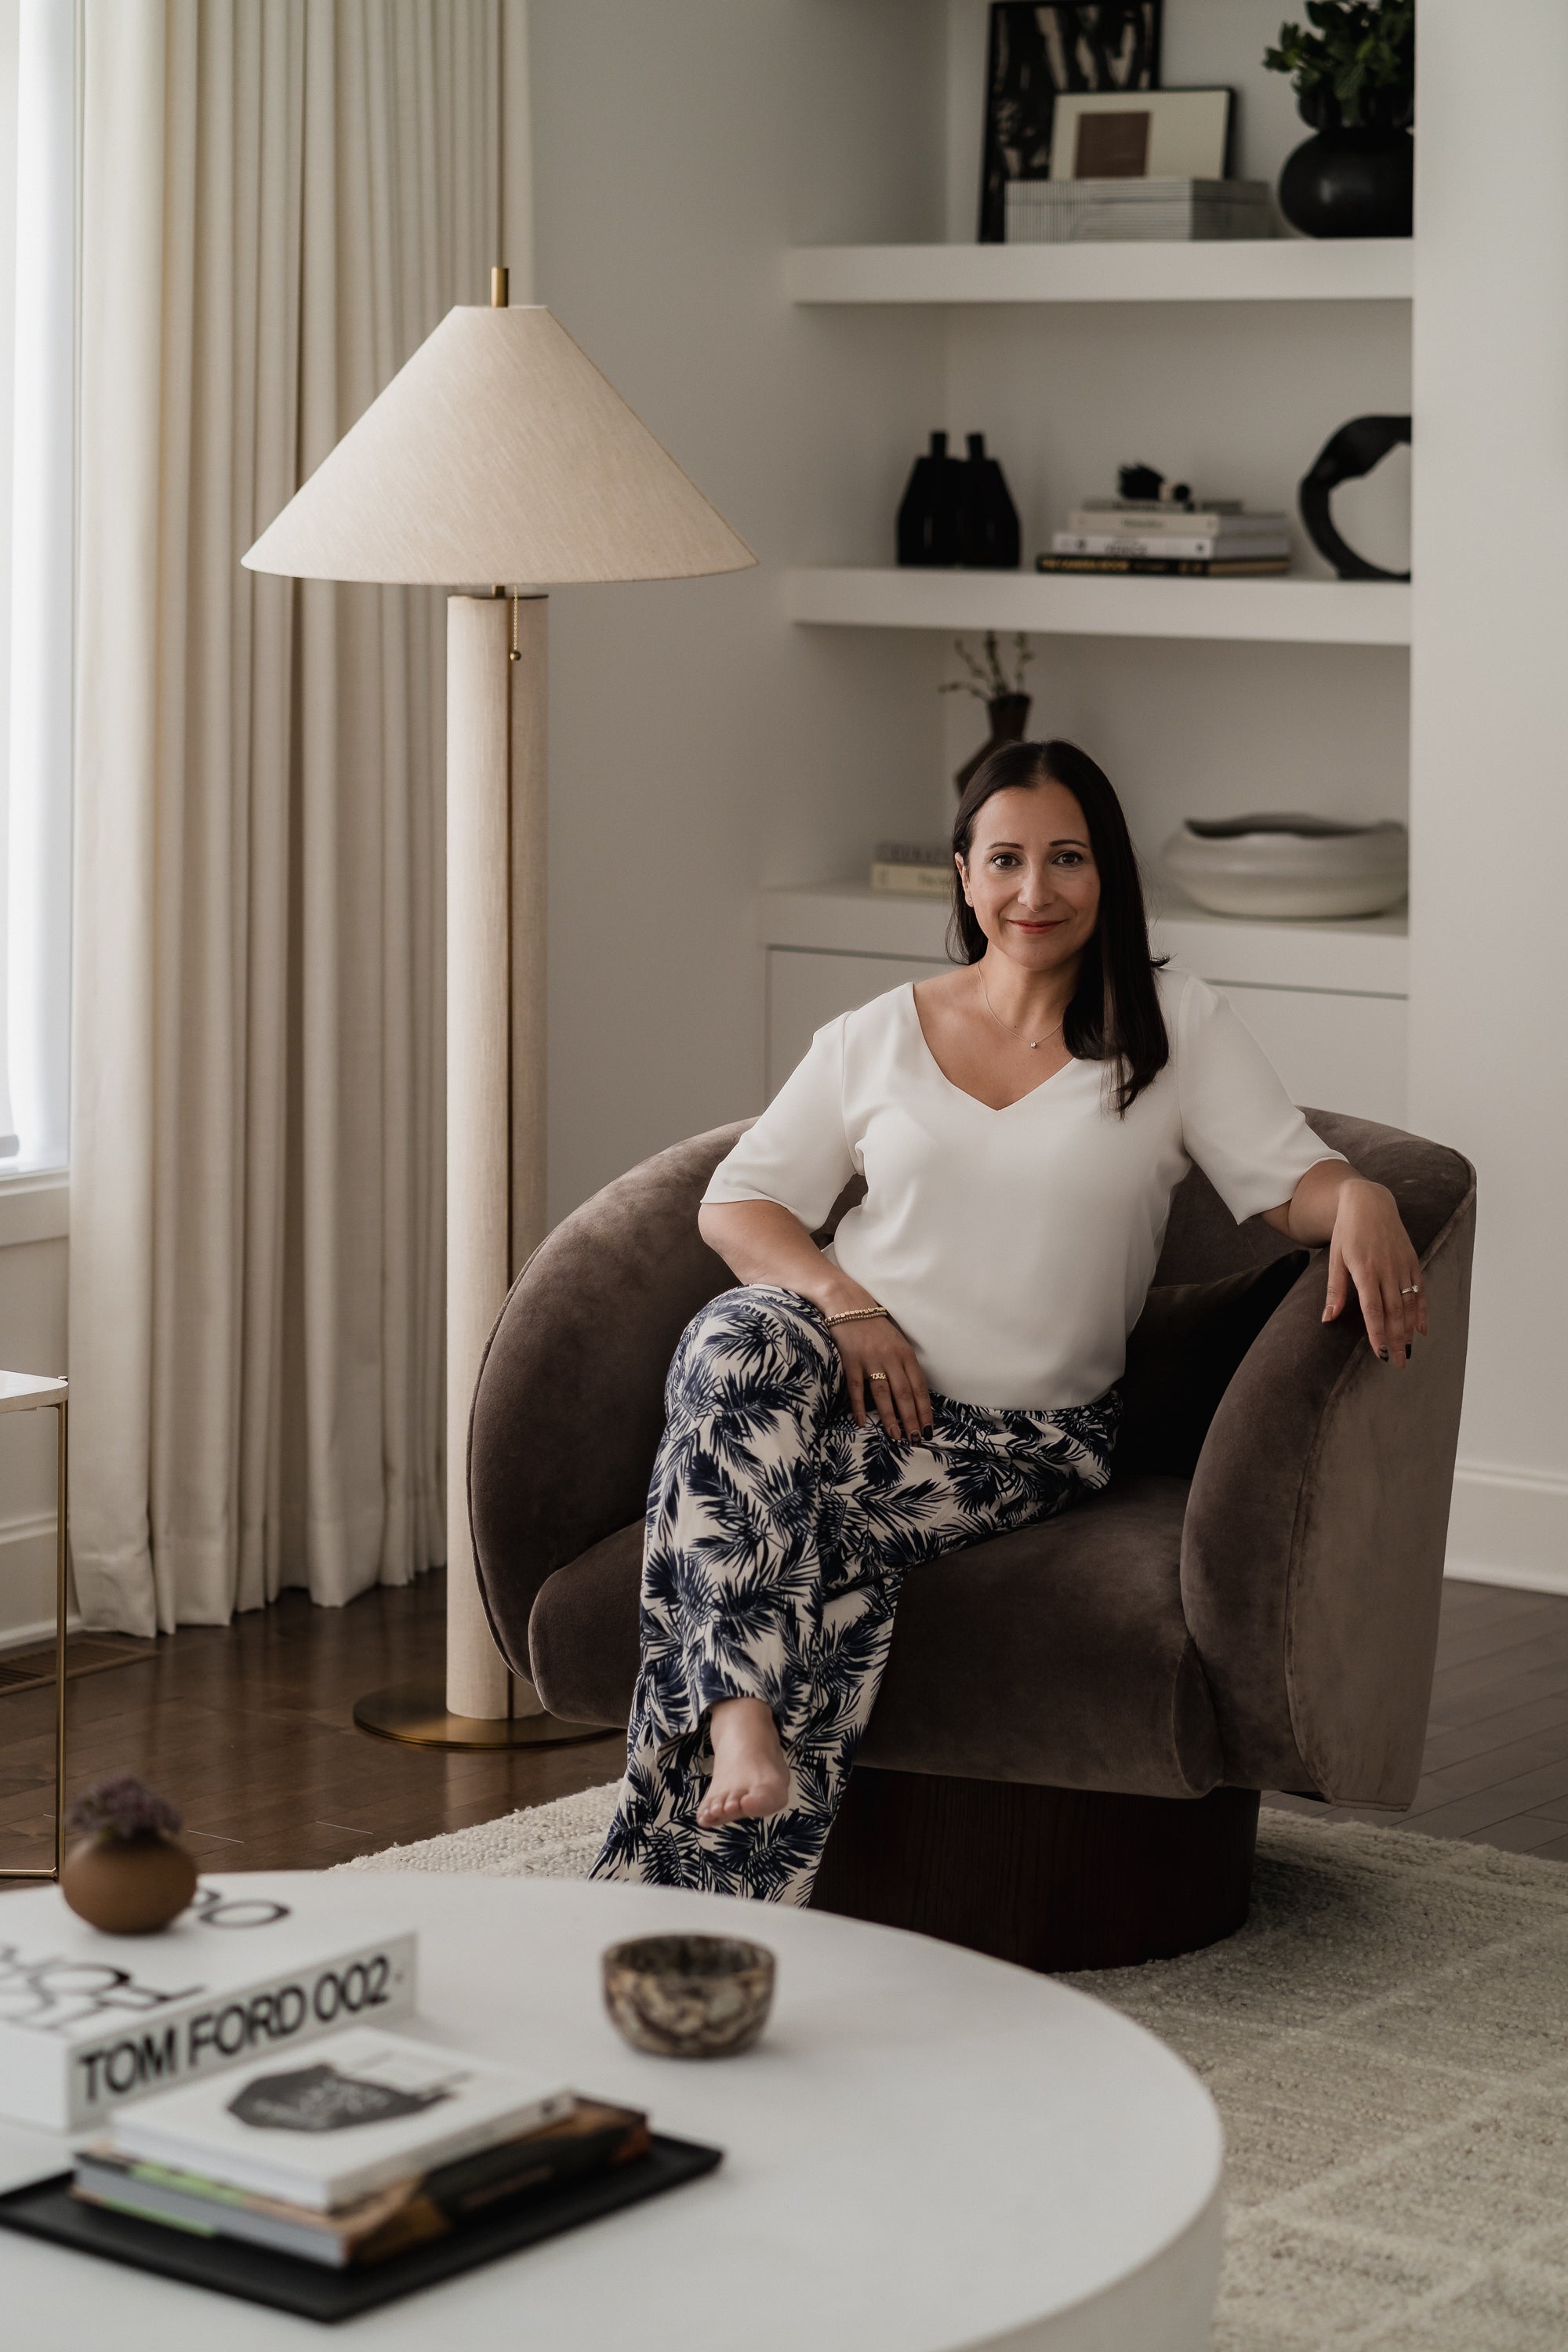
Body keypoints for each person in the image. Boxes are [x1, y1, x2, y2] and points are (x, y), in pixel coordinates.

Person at [590, 739, 1426, 1903]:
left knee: (747, 1513)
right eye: (1007, 860)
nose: (1036, 891)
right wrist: (849, 1303)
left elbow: (1290, 1187)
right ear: (965, 877)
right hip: (830, 1372)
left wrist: (1365, 1193)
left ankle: (673, 1913)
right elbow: (741, 1202)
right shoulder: (878, 1033)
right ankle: (740, 1736)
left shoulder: (1172, 1029)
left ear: (1107, 874)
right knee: (734, 1341)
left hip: (1021, 1437)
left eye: (1068, 859)